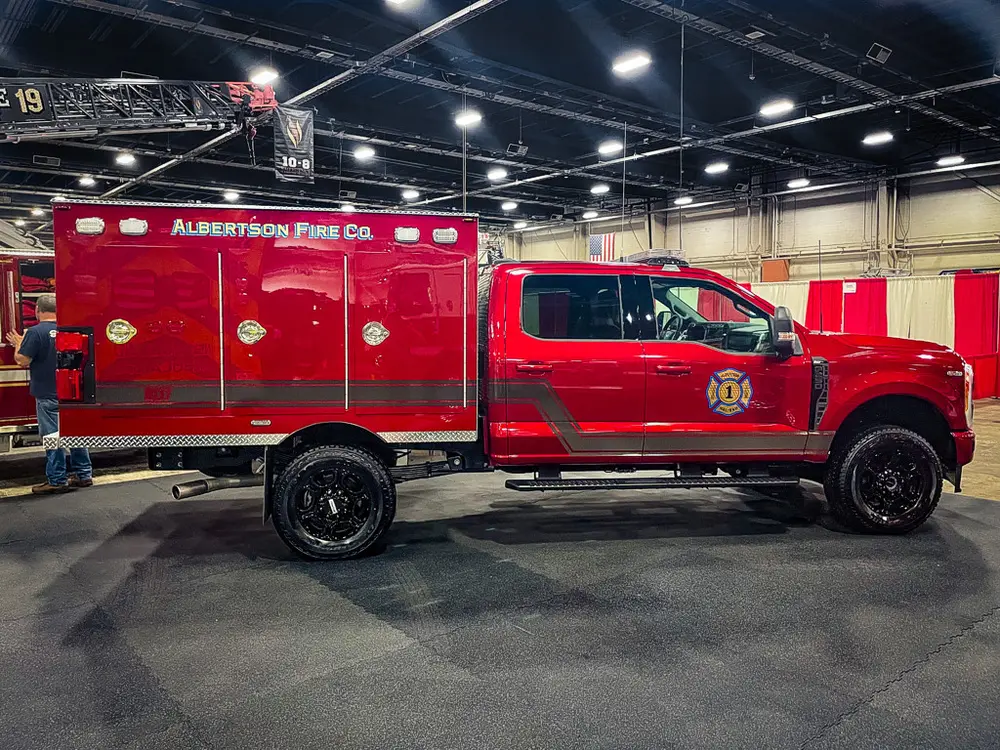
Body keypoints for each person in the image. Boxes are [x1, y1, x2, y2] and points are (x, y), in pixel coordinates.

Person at [5, 293, 93, 494]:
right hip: (72, 392)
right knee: (75, 434)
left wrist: (18, 343)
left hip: (47, 394)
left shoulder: (35, 333)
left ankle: (57, 479)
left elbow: (23, 360)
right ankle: (84, 474)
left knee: (53, 437)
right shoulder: (69, 330)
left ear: (37, 310)